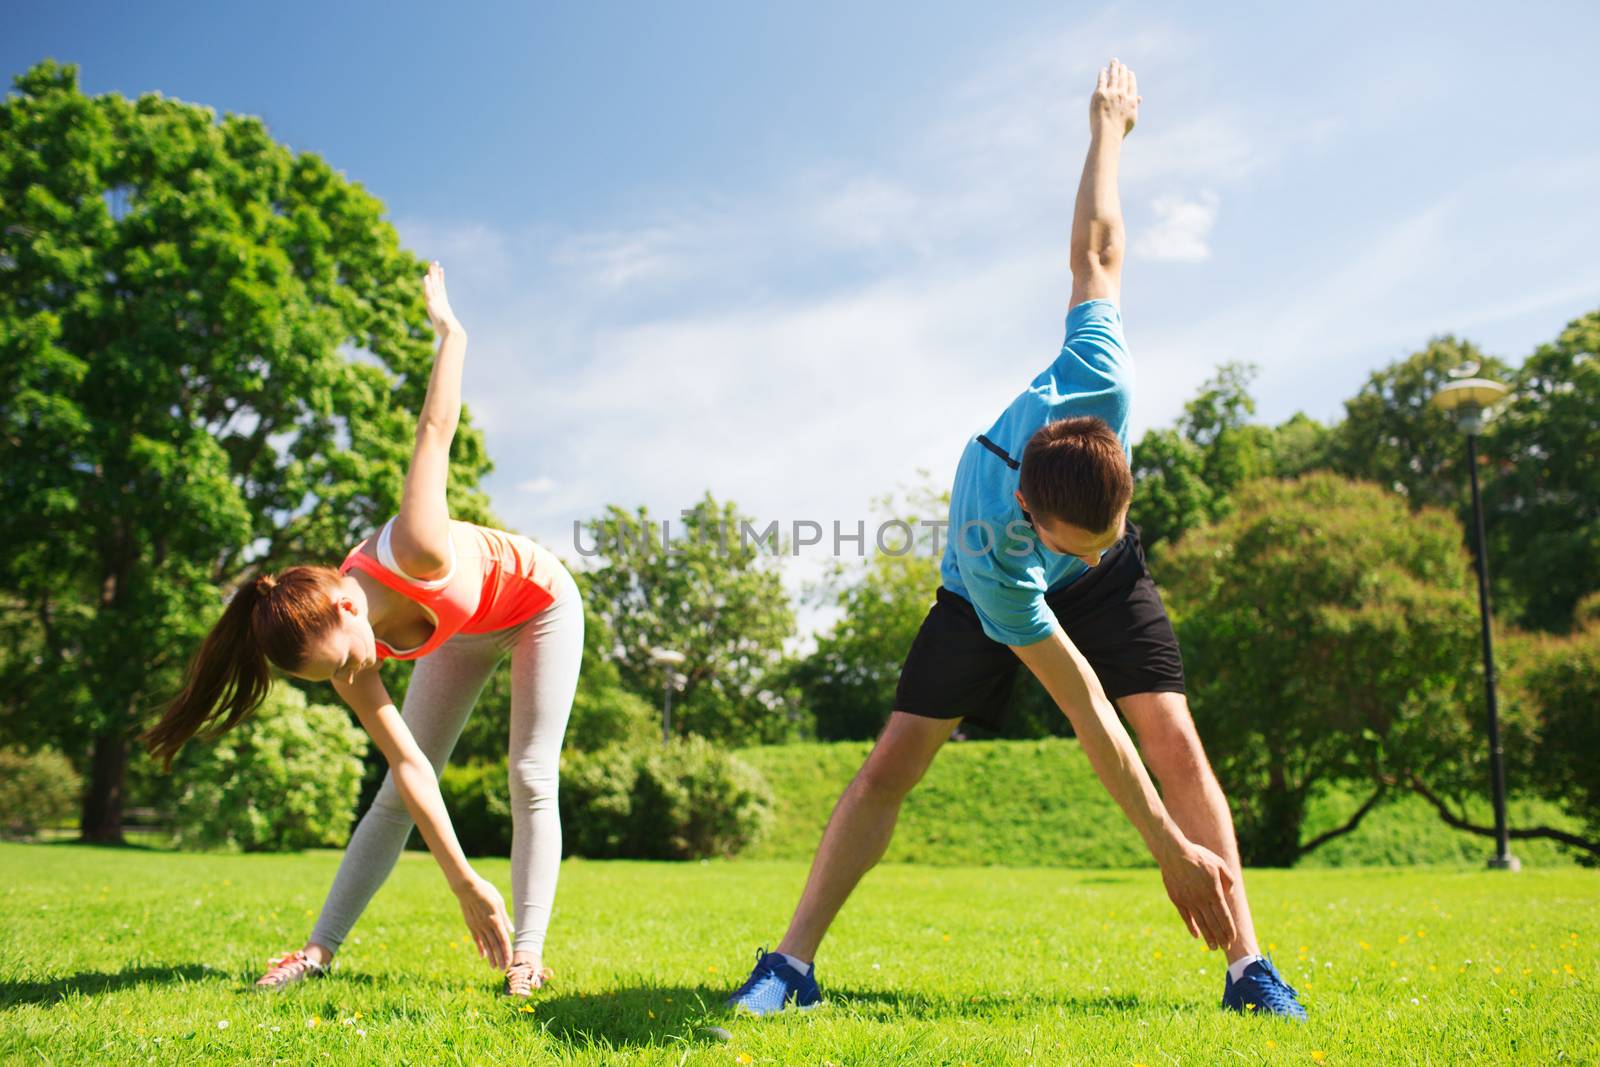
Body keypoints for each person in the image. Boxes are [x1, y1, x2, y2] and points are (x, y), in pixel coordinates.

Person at [726, 60, 1307, 1021]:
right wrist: (1164, 846)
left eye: (1105, 534)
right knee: (893, 764)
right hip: (983, 597)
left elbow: (1098, 250)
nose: (1089, 552)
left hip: (1080, 561)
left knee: (1175, 732)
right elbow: (1083, 707)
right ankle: (790, 963)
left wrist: (1106, 133)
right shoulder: (992, 542)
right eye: (1074, 542)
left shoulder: (1099, 382)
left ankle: (1250, 969)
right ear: (1035, 516)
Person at [142, 263, 584, 999]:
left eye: (346, 662)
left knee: (530, 773)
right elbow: (412, 770)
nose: (354, 672)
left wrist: (452, 332)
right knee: (391, 792)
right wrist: (463, 879)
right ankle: (318, 948)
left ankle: (527, 956)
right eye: (336, 674)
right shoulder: (345, 650)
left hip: (537, 604)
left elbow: (434, 430)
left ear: (349, 608)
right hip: (461, 631)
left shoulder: (417, 545)